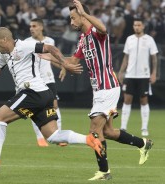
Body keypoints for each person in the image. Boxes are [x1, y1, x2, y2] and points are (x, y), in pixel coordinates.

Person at [0, 27, 103, 172]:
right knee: (53, 136)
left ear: (5, 39)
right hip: (43, 94)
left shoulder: (23, 46)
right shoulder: (4, 54)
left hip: (32, 92)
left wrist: (64, 64)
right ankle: (88, 139)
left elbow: (50, 48)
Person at [40, 0, 153, 180]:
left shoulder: (96, 32)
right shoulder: (83, 40)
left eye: (73, 18)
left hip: (107, 87)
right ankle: (143, 143)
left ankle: (104, 171)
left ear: (82, 16)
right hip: (99, 90)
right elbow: (72, 62)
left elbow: (103, 28)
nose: (71, 22)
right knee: (107, 132)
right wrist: (46, 56)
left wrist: (84, 14)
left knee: (94, 130)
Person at [25, 18, 67, 147]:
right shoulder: (26, 43)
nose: (31, 28)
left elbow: (52, 59)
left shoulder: (50, 41)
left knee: (54, 105)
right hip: (34, 80)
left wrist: (63, 67)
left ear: (41, 27)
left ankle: (58, 136)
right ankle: (40, 138)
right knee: (35, 108)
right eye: (30, 26)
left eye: (34, 26)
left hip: (48, 78)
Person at [118, 18, 158, 137]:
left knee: (144, 101)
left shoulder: (149, 40)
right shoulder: (129, 39)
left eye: (139, 25)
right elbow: (126, 58)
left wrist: (154, 73)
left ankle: (144, 128)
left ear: (143, 26)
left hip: (143, 75)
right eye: (135, 25)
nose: (137, 27)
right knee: (127, 100)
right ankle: (123, 127)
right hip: (130, 75)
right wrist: (121, 72)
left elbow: (154, 58)